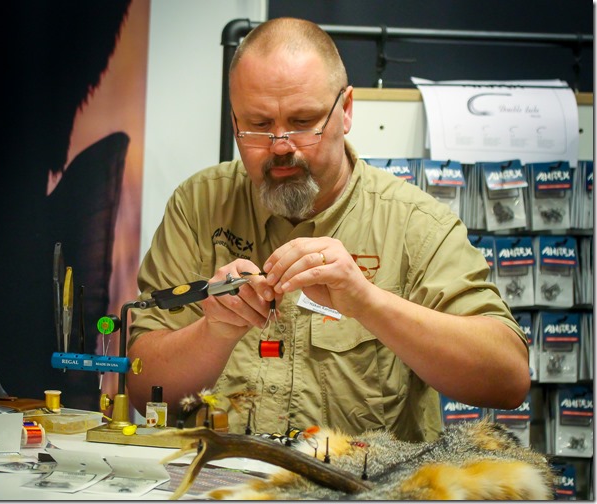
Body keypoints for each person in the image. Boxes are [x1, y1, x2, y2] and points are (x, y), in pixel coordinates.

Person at [127, 17, 529, 442]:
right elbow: (141, 387)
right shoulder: (198, 206)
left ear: (347, 110)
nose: (281, 146)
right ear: (234, 120)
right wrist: (215, 332)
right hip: (219, 483)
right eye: (259, 125)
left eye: (303, 122)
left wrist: (369, 303)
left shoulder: (415, 225)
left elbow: (507, 380)